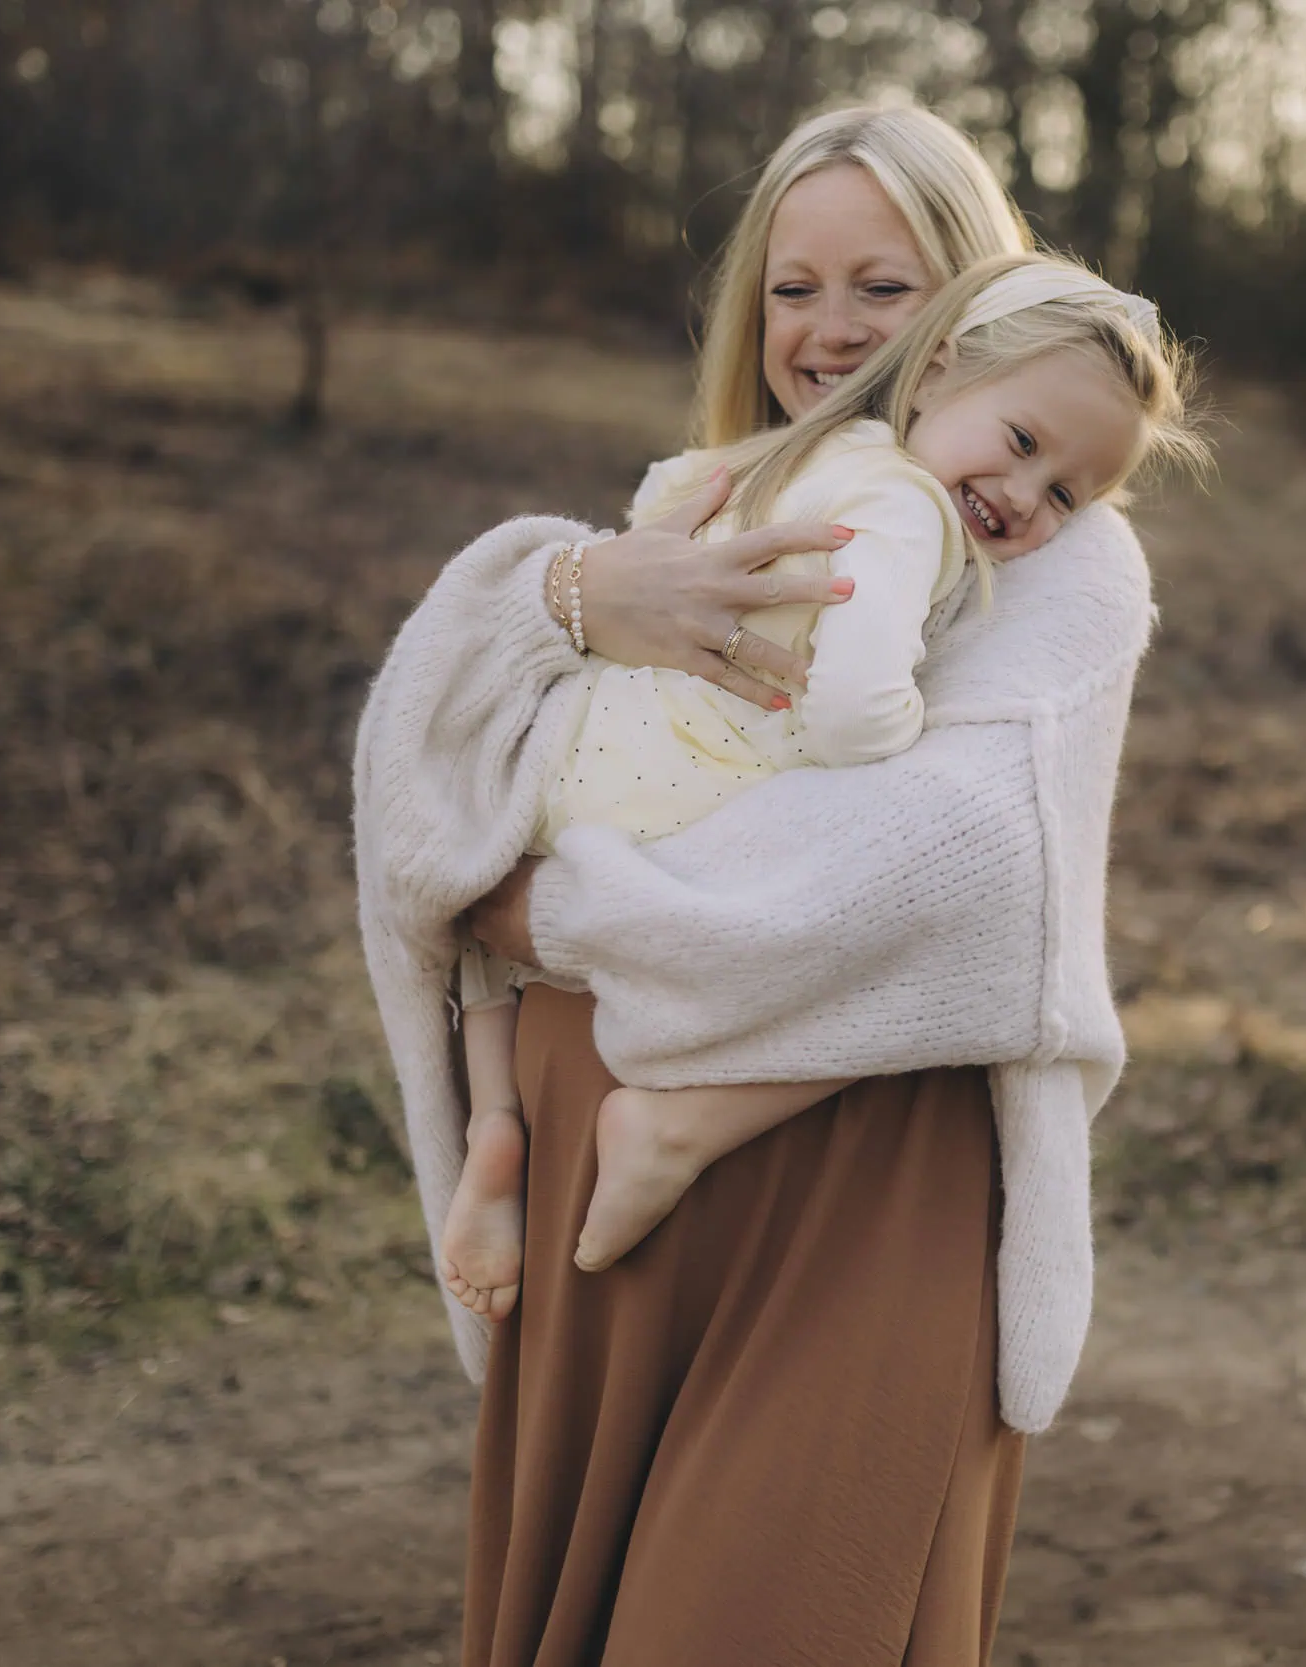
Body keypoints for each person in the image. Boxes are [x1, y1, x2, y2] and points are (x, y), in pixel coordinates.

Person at [353, 103, 1166, 1665]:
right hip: (603, 1155)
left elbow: (968, 866)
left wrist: (547, 913)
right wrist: (572, 591)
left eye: (887, 281)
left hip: (850, 1174)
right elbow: (436, 771)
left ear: (972, 313)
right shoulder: (725, 497)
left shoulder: (1051, 553)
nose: (829, 328)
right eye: (795, 287)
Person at [440, 253, 1205, 1321]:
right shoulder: (908, 511)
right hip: (678, 800)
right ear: (936, 372)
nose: (1024, 497)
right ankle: (668, 1123)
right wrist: (894, 730)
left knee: (480, 944)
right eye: (1023, 445)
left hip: (584, 750)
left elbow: (665, 497)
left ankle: (490, 1128)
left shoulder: (810, 455)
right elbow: (850, 710)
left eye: (1064, 492)